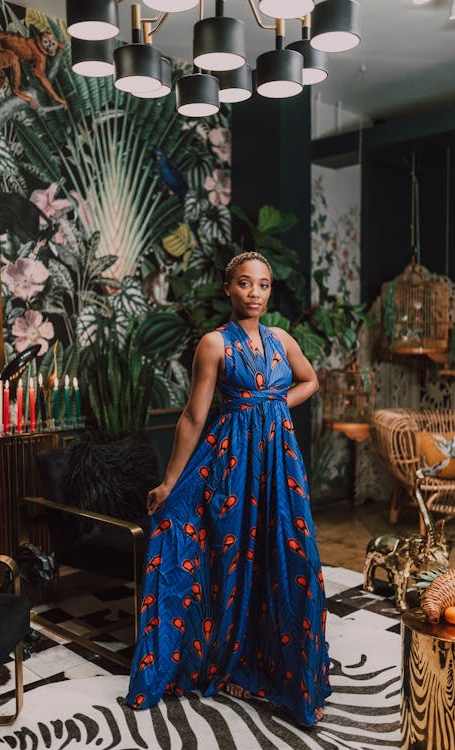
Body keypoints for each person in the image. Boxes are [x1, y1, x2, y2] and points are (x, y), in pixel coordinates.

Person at [126, 251, 331, 727]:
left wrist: (275, 401)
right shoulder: (213, 343)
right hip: (233, 464)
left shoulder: (282, 339)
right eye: (244, 284)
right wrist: (170, 481)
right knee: (233, 555)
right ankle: (228, 658)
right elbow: (195, 416)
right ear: (228, 289)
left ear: (268, 292)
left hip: (280, 464)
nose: (254, 293)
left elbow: (310, 380)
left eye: (262, 285)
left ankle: (286, 668)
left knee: (290, 554)